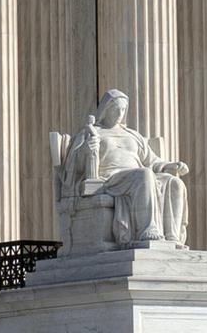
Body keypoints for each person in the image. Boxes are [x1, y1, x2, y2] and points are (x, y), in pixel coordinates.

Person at [69, 88, 189, 246]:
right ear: (106, 109)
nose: (120, 113)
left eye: (123, 109)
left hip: (139, 177)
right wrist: (86, 149)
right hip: (110, 180)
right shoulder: (92, 133)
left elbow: (152, 161)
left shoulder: (133, 135)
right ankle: (147, 230)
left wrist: (169, 165)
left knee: (175, 183)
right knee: (144, 175)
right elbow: (74, 166)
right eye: (116, 109)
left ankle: (172, 236)